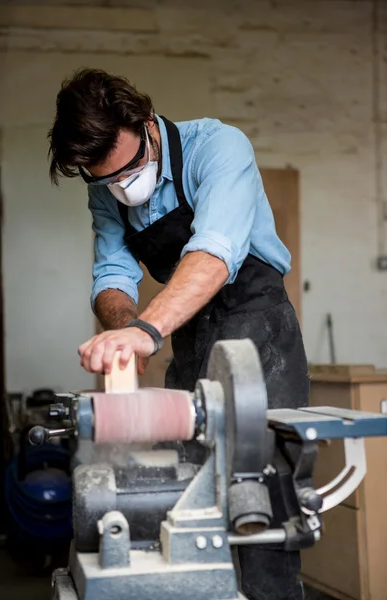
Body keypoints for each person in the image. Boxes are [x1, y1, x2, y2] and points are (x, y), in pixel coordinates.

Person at [48, 68, 309, 600]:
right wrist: (123, 332)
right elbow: (112, 278)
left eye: (129, 169)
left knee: (258, 494)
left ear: (146, 125)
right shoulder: (106, 186)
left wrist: (147, 328)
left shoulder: (218, 147)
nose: (121, 187)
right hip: (187, 331)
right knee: (182, 486)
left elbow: (213, 255)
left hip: (257, 326)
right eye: (104, 181)